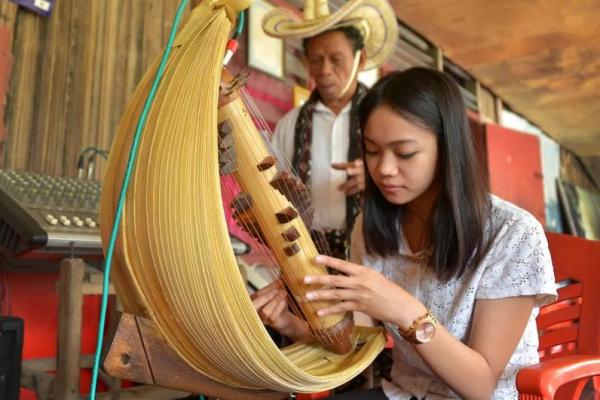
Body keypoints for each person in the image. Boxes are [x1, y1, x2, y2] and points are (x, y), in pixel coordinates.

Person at [252, 67, 557, 399]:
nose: (384, 169)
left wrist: (404, 310)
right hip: (403, 393)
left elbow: (480, 385)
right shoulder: (371, 228)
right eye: (371, 150)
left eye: (405, 153)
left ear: (447, 148)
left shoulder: (511, 233)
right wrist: (290, 326)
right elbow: (356, 346)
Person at [262, 0, 398, 259]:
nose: (324, 70)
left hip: (375, 254)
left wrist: (376, 179)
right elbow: (272, 190)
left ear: (361, 60)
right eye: (316, 60)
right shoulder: (290, 124)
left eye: (336, 60)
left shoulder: (385, 118)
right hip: (309, 255)